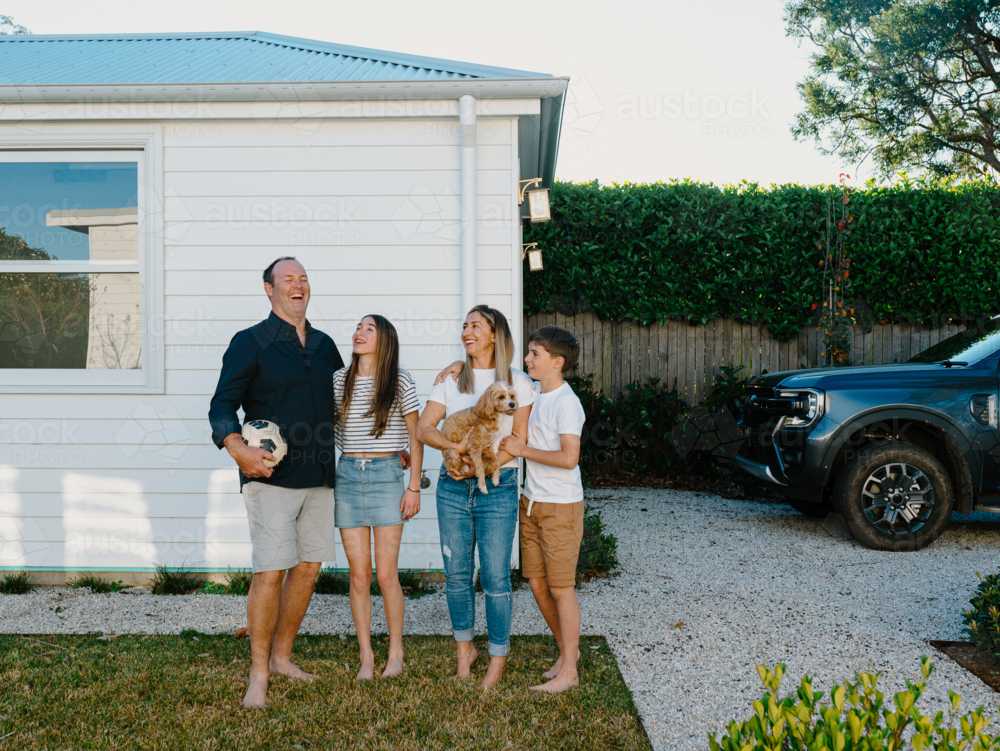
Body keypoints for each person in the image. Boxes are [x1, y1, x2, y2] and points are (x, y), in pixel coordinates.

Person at [208, 256, 344, 709]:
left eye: (304, 277)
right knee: (270, 572)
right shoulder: (250, 342)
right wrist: (237, 447)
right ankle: (259, 673)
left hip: (321, 475)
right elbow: (222, 405)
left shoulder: (325, 345)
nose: (298, 284)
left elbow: (351, 398)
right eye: (288, 279)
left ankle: (283, 657)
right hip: (271, 478)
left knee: (307, 568)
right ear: (269, 289)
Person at [417, 305, 535, 689]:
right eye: (464, 326)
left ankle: (498, 658)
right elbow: (423, 428)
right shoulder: (452, 380)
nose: (467, 331)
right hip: (452, 487)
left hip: (497, 487)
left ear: (495, 335)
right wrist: (456, 447)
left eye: (476, 326)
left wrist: (479, 466)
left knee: (497, 577)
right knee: (456, 575)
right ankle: (463, 651)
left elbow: (518, 441)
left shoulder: (518, 381)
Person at [333, 314, 423, 681]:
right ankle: (366, 657)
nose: (359, 332)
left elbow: (416, 437)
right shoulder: (339, 380)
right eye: (358, 327)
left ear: (384, 340)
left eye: (368, 328)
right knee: (358, 576)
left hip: (388, 477)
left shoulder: (400, 381)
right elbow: (335, 430)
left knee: (386, 575)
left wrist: (413, 486)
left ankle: (396, 653)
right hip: (348, 476)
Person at [499, 325, 585, 693]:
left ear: (558, 362)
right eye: (529, 352)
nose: (528, 359)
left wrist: (522, 451)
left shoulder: (567, 402)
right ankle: (569, 653)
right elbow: (495, 368)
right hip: (530, 502)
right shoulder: (532, 390)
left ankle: (569, 670)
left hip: (561, 507)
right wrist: (457, 365)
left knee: (562, 589)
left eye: (535, 354)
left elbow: (569, 458)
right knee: (536, 584)